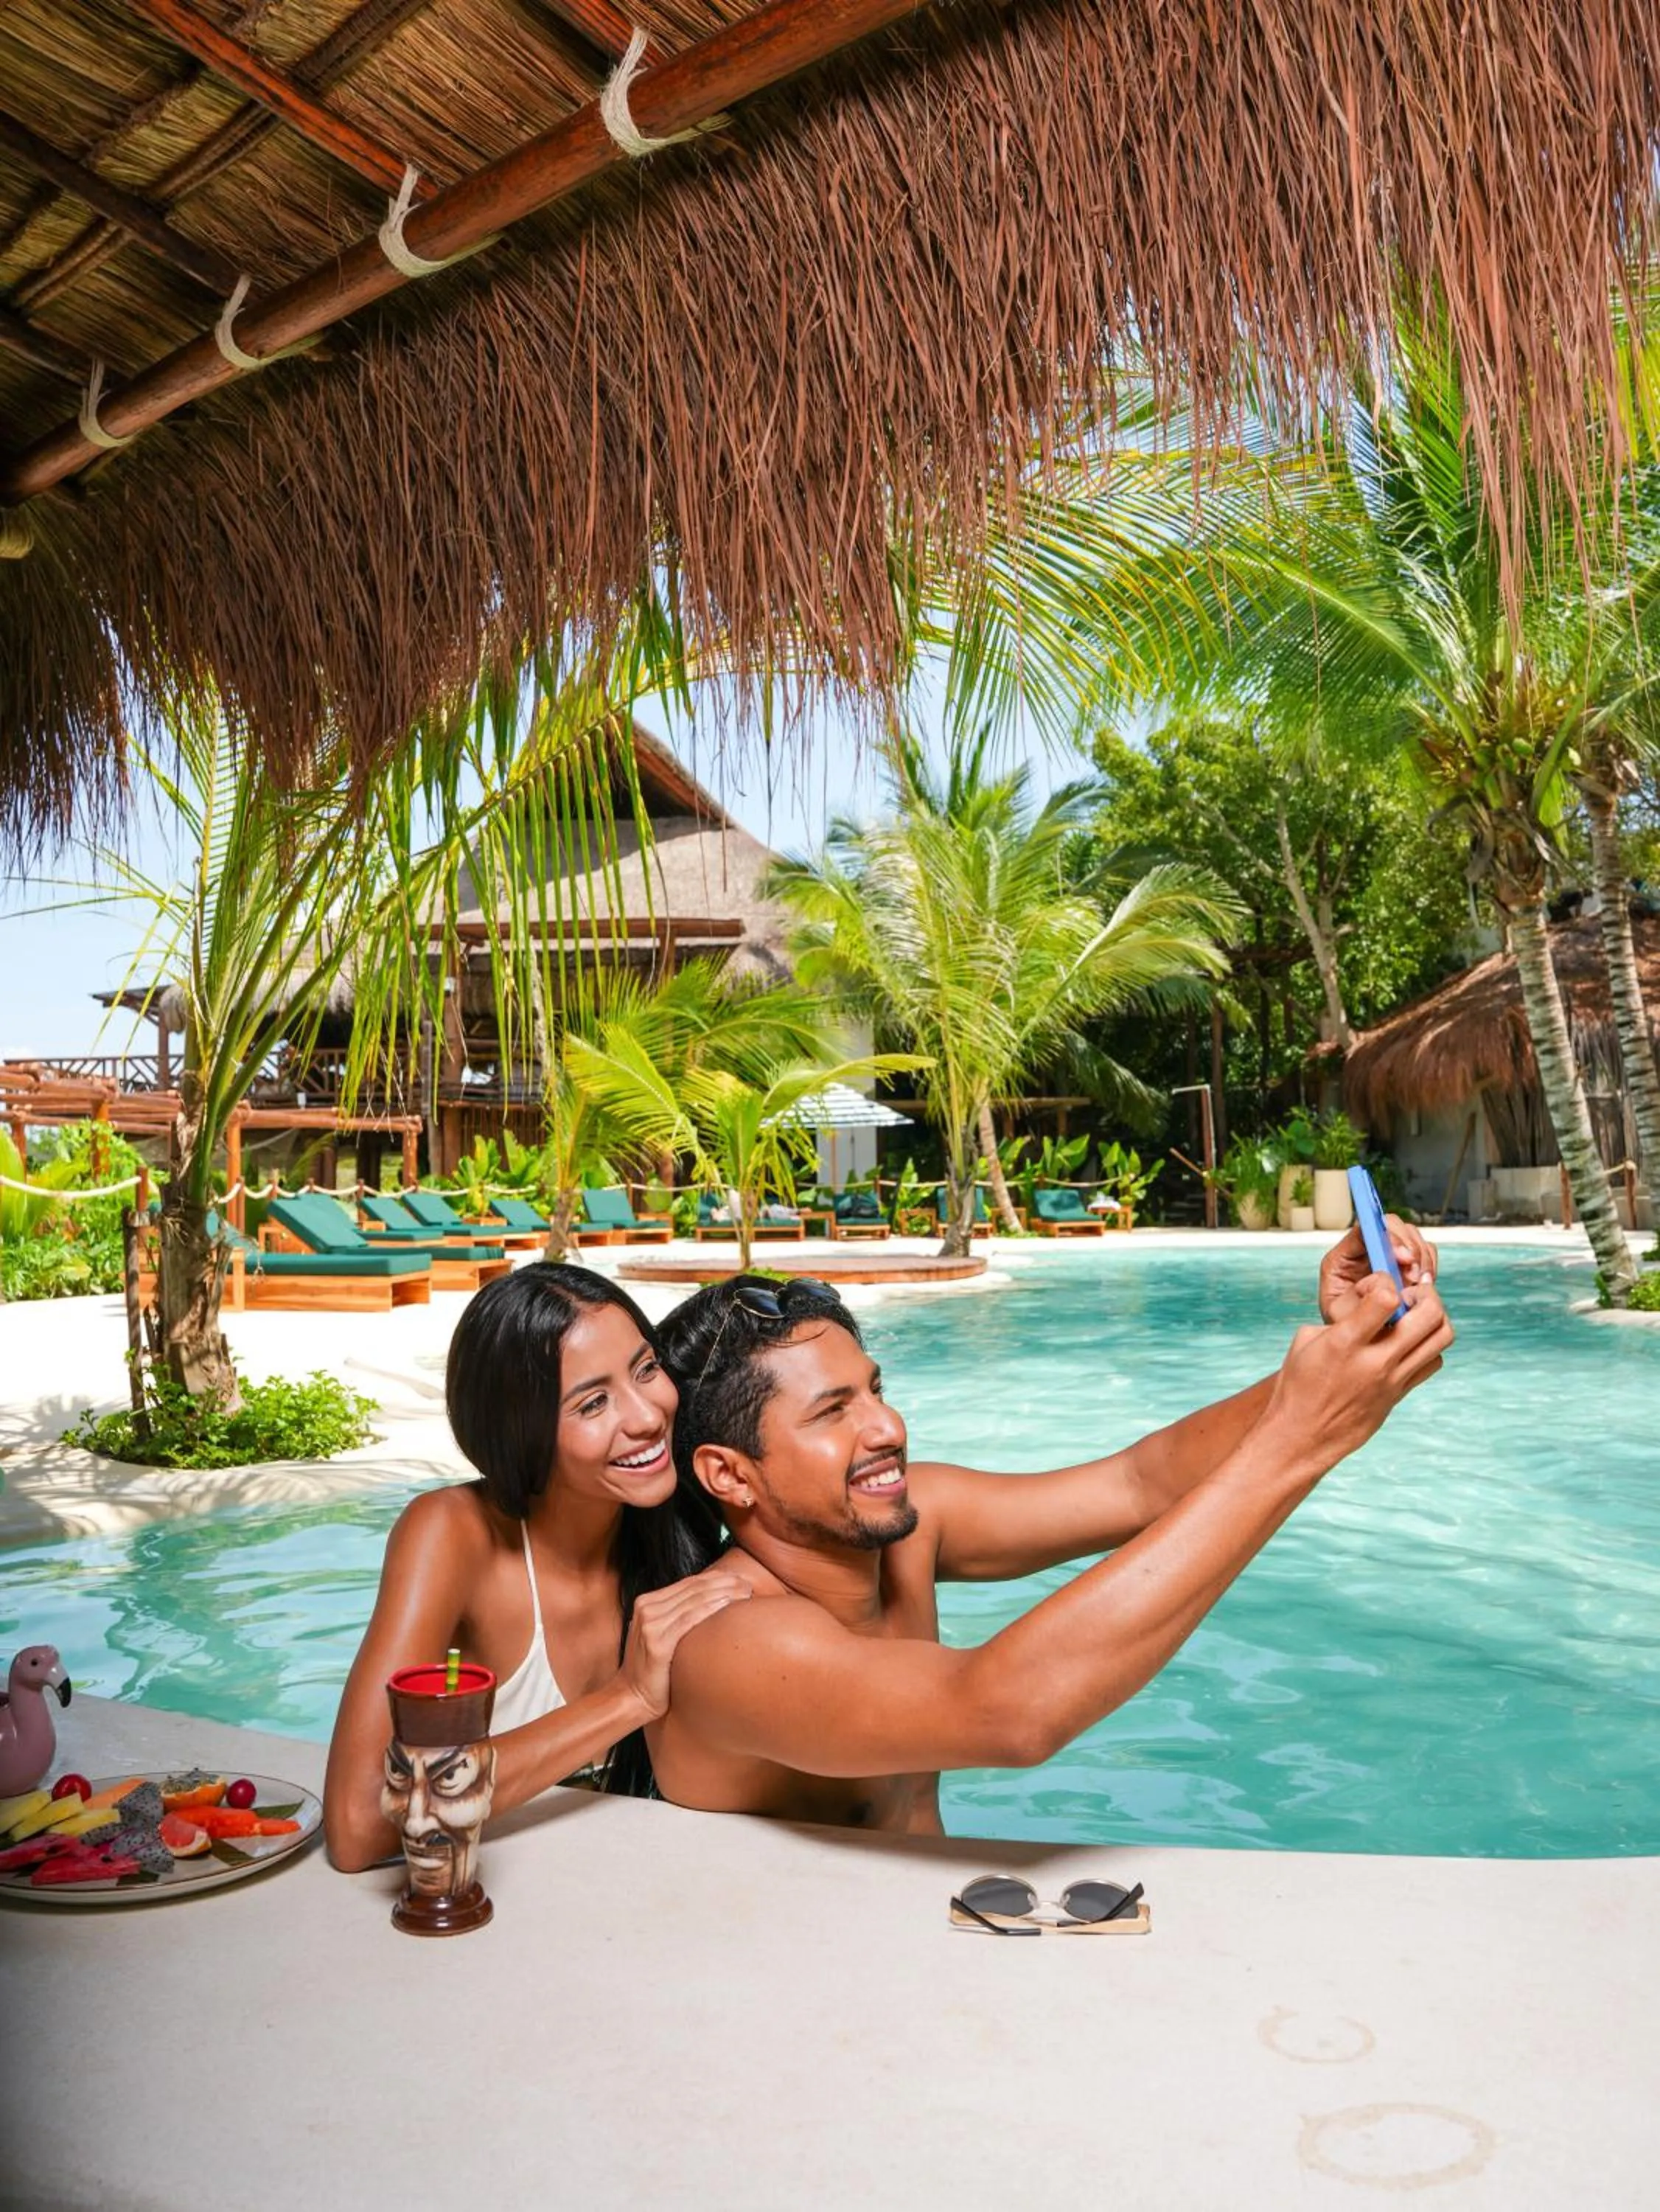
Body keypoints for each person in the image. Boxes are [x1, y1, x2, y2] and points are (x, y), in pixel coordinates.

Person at [647, 1225, 1451, 1832]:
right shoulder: (733, 1643)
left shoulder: (903, 1531)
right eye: (832, 1412)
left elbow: (1139, 1483)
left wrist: (1347, 1356)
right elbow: (1006, 1713)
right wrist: (1298, 1442)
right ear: (728, 1475)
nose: (886, 1426)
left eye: (873, 1389)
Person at [323, 1265, 750, 1871]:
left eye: (646, 1369)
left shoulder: (687, 1509)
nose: (648, 1417)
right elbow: (359, 1821)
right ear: (521, 1433)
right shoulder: (454, 1534)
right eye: (593, 1402)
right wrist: (627, 1698)